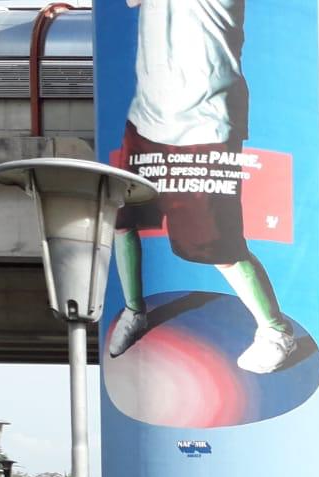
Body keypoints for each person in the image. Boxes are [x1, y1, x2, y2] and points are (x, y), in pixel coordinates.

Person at [107, 0, 299, 376]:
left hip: (204, 125)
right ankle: (135, 311)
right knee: (122, 220)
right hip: (145, 117)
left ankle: (276, 330)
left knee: (216, 246)